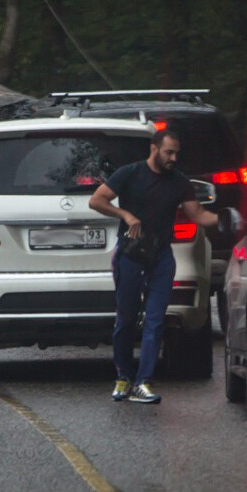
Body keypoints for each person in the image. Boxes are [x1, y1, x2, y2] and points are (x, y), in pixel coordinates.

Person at [89, 129, 218, 404]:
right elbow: (96, 200)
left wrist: (225, 220)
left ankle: (143, 382)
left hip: (161, 257)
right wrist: (125, 214)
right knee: (125, 319)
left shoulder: (179, 182)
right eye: (168, 152)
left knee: (155, 319)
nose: (173, 158)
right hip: (130, 255)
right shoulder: (130, 174)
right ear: (154, 149)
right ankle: (123, 377)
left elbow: (197, 213)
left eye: (176, 154)